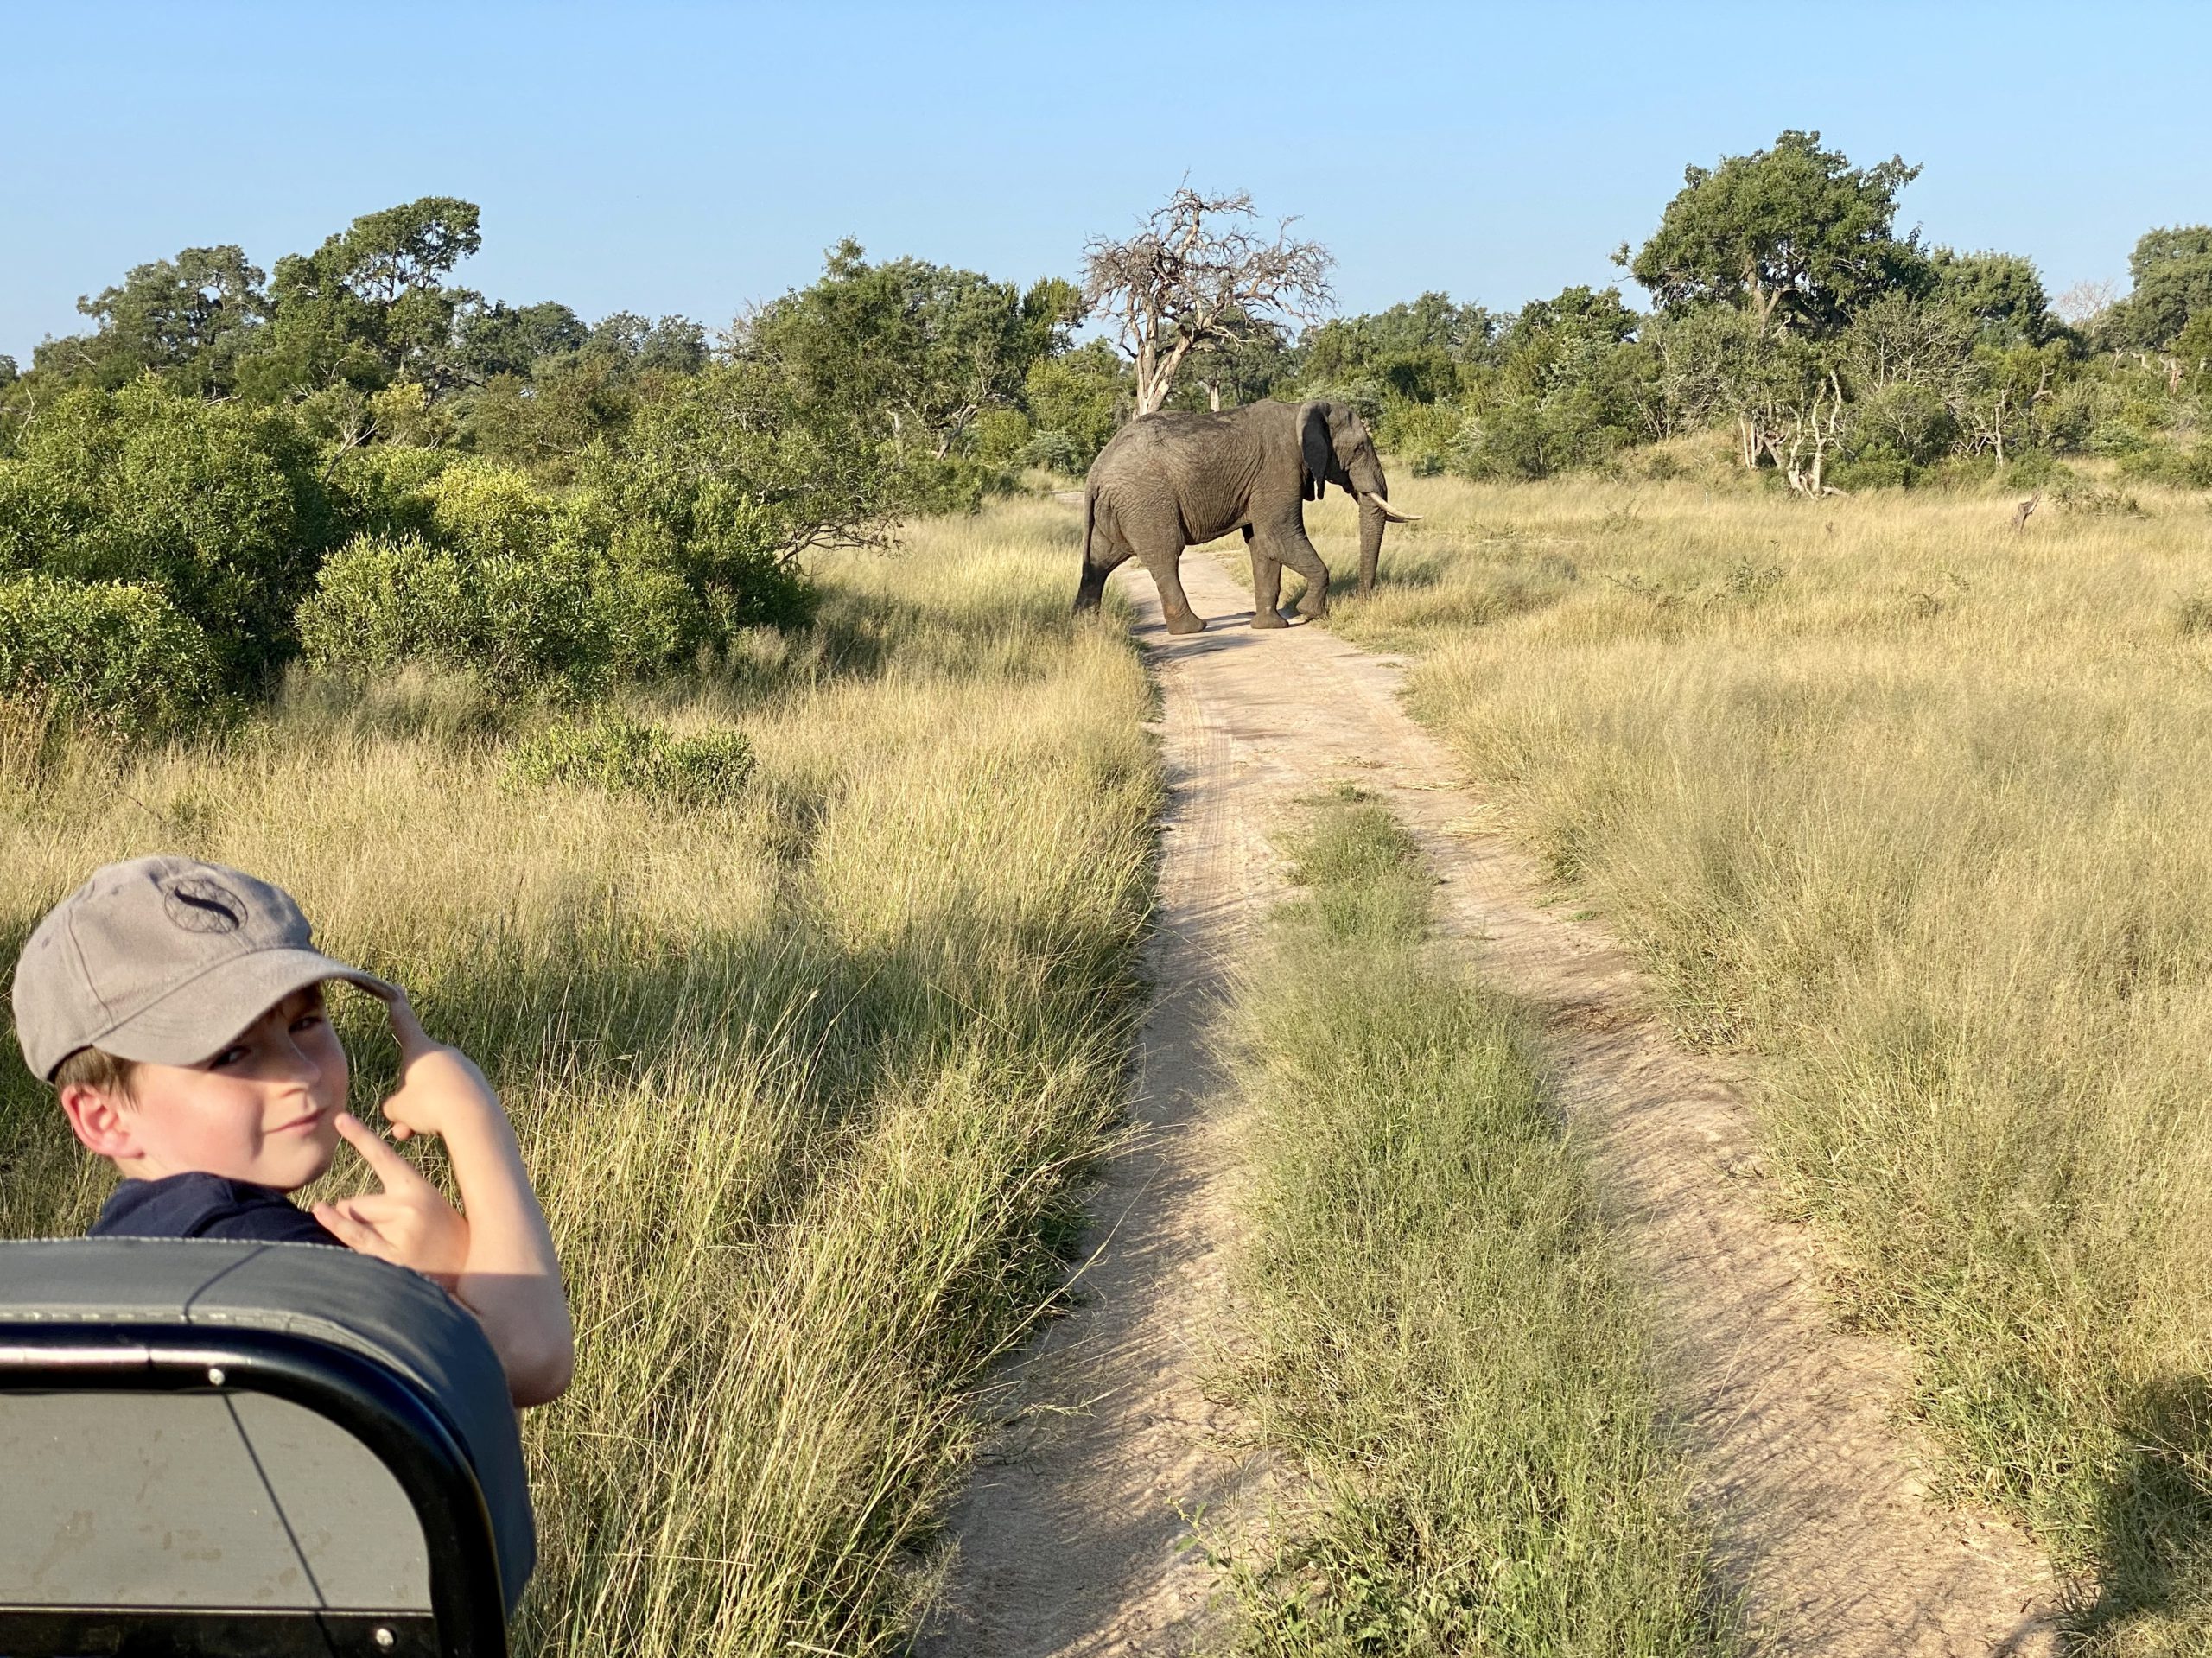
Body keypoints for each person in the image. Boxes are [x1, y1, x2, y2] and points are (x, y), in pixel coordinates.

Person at [10, 854, 574, 1407]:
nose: (301, 1071)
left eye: (305, 1022)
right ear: (103, 1118)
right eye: (231, 1053)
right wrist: (470, 1114)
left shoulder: (123, 1254)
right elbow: (530, 1358)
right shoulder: (281, 1269)